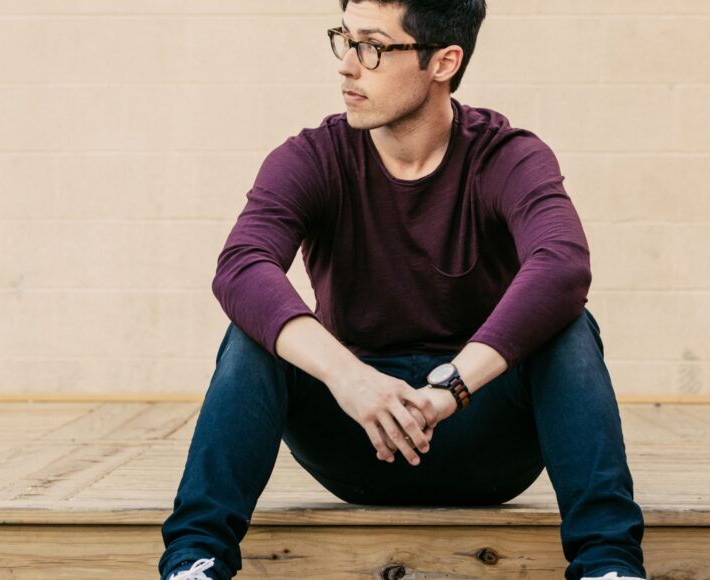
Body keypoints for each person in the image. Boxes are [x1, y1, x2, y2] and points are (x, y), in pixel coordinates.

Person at [158, 1, 647, 579]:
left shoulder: (506, 156)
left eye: (372, 47)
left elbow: (562, 264)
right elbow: (242, 265)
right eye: (344, 39)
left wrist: (451, 388)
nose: (347, 65)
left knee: (570, 324)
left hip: (484, 438)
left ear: (443, 62)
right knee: (254, 331)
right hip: (356, 437)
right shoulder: (313, 157)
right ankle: (196, 561)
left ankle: (608, 565)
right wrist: (349, 377)